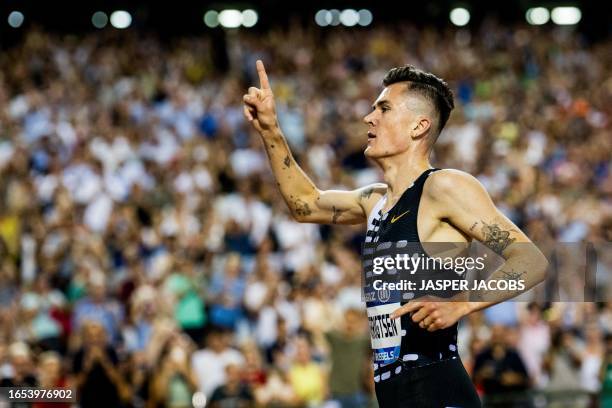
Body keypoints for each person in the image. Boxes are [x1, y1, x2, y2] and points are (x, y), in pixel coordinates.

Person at [243, 60, 548, 407]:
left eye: (383, 108)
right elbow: (304, 204)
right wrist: (270, 130)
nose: (368, 117)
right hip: (394, 393)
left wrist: (463, 302)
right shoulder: (373, 201)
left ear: (419, 126)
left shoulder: (443, 187)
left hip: (437, 387)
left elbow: (532, 259)